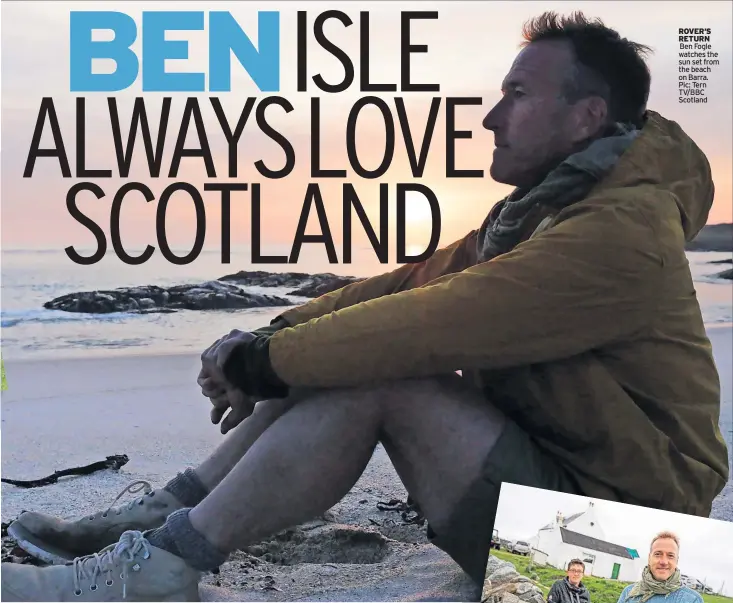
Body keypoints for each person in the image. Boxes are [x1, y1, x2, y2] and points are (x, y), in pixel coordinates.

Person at [2, 11, 729, 602]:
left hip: (643, 575)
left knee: (385, 372)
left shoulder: (615, 234)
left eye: (517, 95)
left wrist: (263, 362)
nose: (489, 118)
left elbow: (435, 323)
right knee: (346, 351)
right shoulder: (545, 216)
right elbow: (409, 285)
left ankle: (159, 569)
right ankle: (166, 516)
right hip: (580, 525)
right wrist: (274, 332)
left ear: (585, 117)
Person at [617, 532, 702, 603]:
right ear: (649, 558)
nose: (664, 562)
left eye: (670, 556)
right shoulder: (629, 593)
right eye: (658, 554)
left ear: (677, 561)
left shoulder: (692, 600)